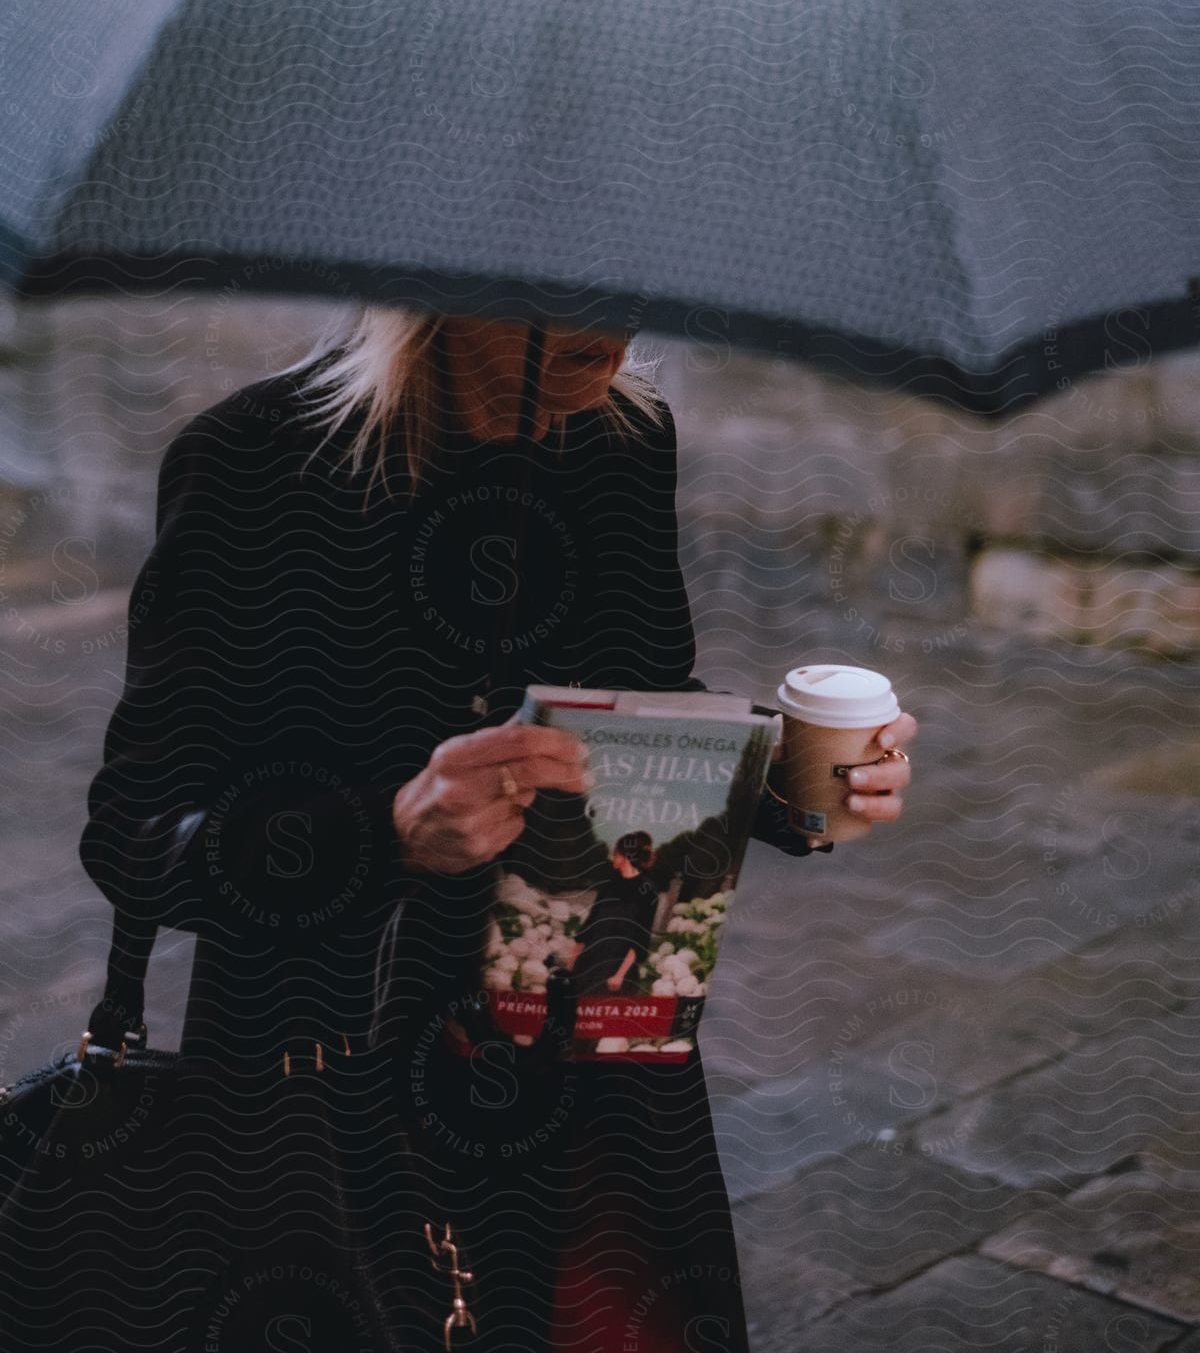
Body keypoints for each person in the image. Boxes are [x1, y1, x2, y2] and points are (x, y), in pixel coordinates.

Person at [76, 306, 916, 1353]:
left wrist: (797, 790)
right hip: (326, 1065)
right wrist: (384, 834)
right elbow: (133, 834)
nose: (610, 321)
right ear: (437, 277)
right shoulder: (257, 457)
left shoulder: (620, 436)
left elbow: (644, 711)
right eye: (562, 287)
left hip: (578, 1037)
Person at [567, 831, 661, 997]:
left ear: (626, 856)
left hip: (617, 968)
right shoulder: (608, 886)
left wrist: (619, 975)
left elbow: (640, 938)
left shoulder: (648, 890)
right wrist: (569, 968)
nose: (612, 857)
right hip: (589, 962)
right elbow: (588, 927)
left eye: (616, 853)